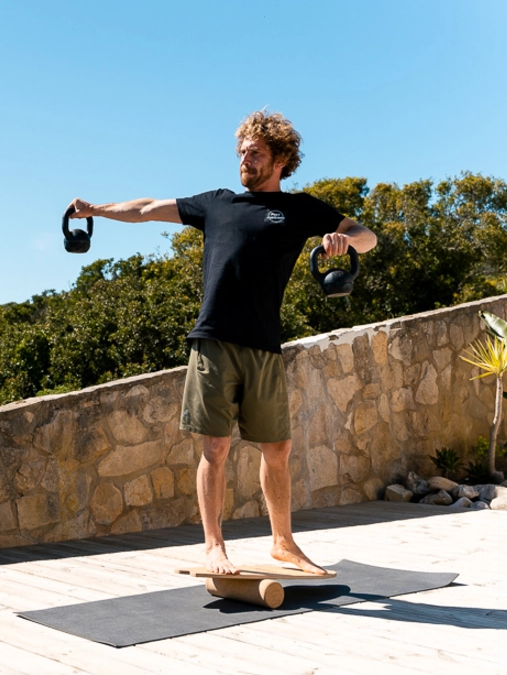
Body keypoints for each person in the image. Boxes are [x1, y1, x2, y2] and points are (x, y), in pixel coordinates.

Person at [67, 111, 377, 575]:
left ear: (281, 160)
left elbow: (367, 236)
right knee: (215, 448)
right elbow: (149, 207)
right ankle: (214, 547)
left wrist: (344, 241)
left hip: (264, 346)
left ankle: (284, 543)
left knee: (278, 450)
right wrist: (97, 210)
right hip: (213, 341)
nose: (244, 160)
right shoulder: (217, 203)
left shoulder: (300, 209)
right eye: (241, 153)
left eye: (254, 153)